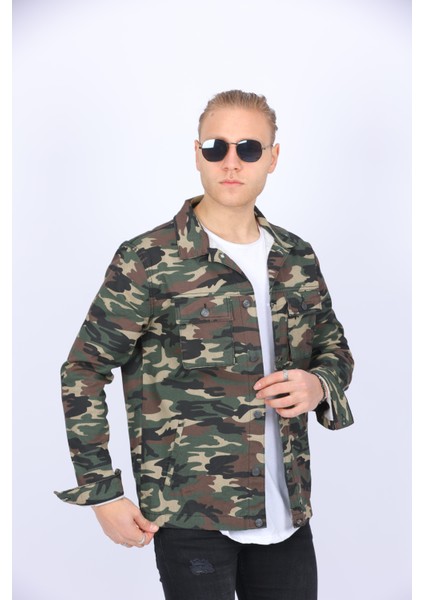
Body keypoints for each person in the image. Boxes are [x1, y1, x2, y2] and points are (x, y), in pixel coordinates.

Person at [56, 90, 354, 600]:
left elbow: (336, 349)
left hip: (287, 512)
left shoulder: (296, 257)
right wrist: (101, 492)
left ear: (273, 158)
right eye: (216, 147)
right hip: (189, 514)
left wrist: (319, 385)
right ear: (197, 154)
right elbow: (83, 370)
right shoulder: (148, 259)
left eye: (249, 148)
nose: (231, 162)